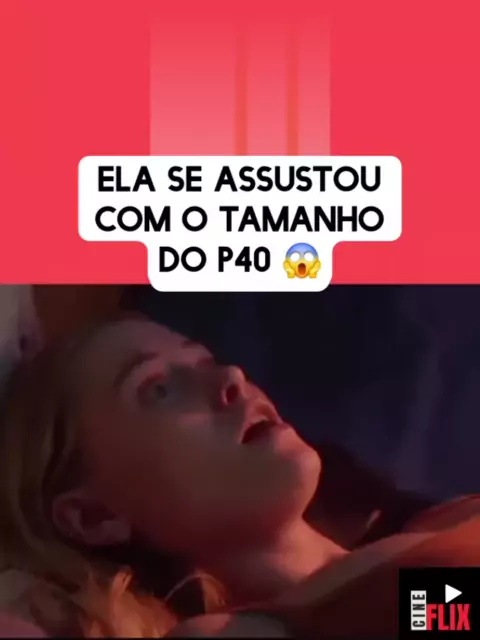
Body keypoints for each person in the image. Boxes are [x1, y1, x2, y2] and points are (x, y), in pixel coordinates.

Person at [0, 316, 478, 638]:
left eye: (206, 361)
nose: (231, 376)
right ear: (95, 515)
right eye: (159, 389)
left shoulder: (444, 520)